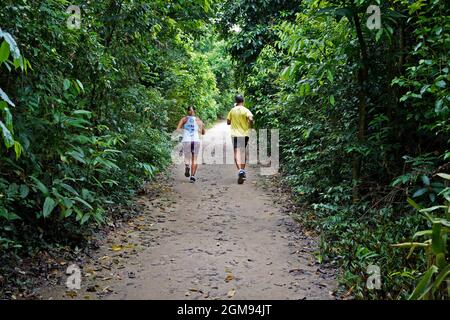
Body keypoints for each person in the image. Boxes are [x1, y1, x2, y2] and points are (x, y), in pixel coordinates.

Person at [227, 94, 254, 184]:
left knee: (236, 152)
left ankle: (240, 171)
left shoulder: (232, 110)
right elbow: (250, 119)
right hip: (244, 134)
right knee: (242, 152)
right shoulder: (246, 110)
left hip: (235, 134)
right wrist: (250, 126)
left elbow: (228, 122)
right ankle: (242, 169)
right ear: (243, 101)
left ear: (236, 101)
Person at [176, 106, 205, 183]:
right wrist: (201, 127)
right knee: (194, 159)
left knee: (187, 157)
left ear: (187, 111)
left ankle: (187, 166)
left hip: (186, 140)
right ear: (195, 111)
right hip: (195, 140)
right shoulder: (198, 120)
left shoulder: (184, 119)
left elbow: (178, 129)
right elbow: (203, 132)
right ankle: (192, 176)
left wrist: (185, 132)